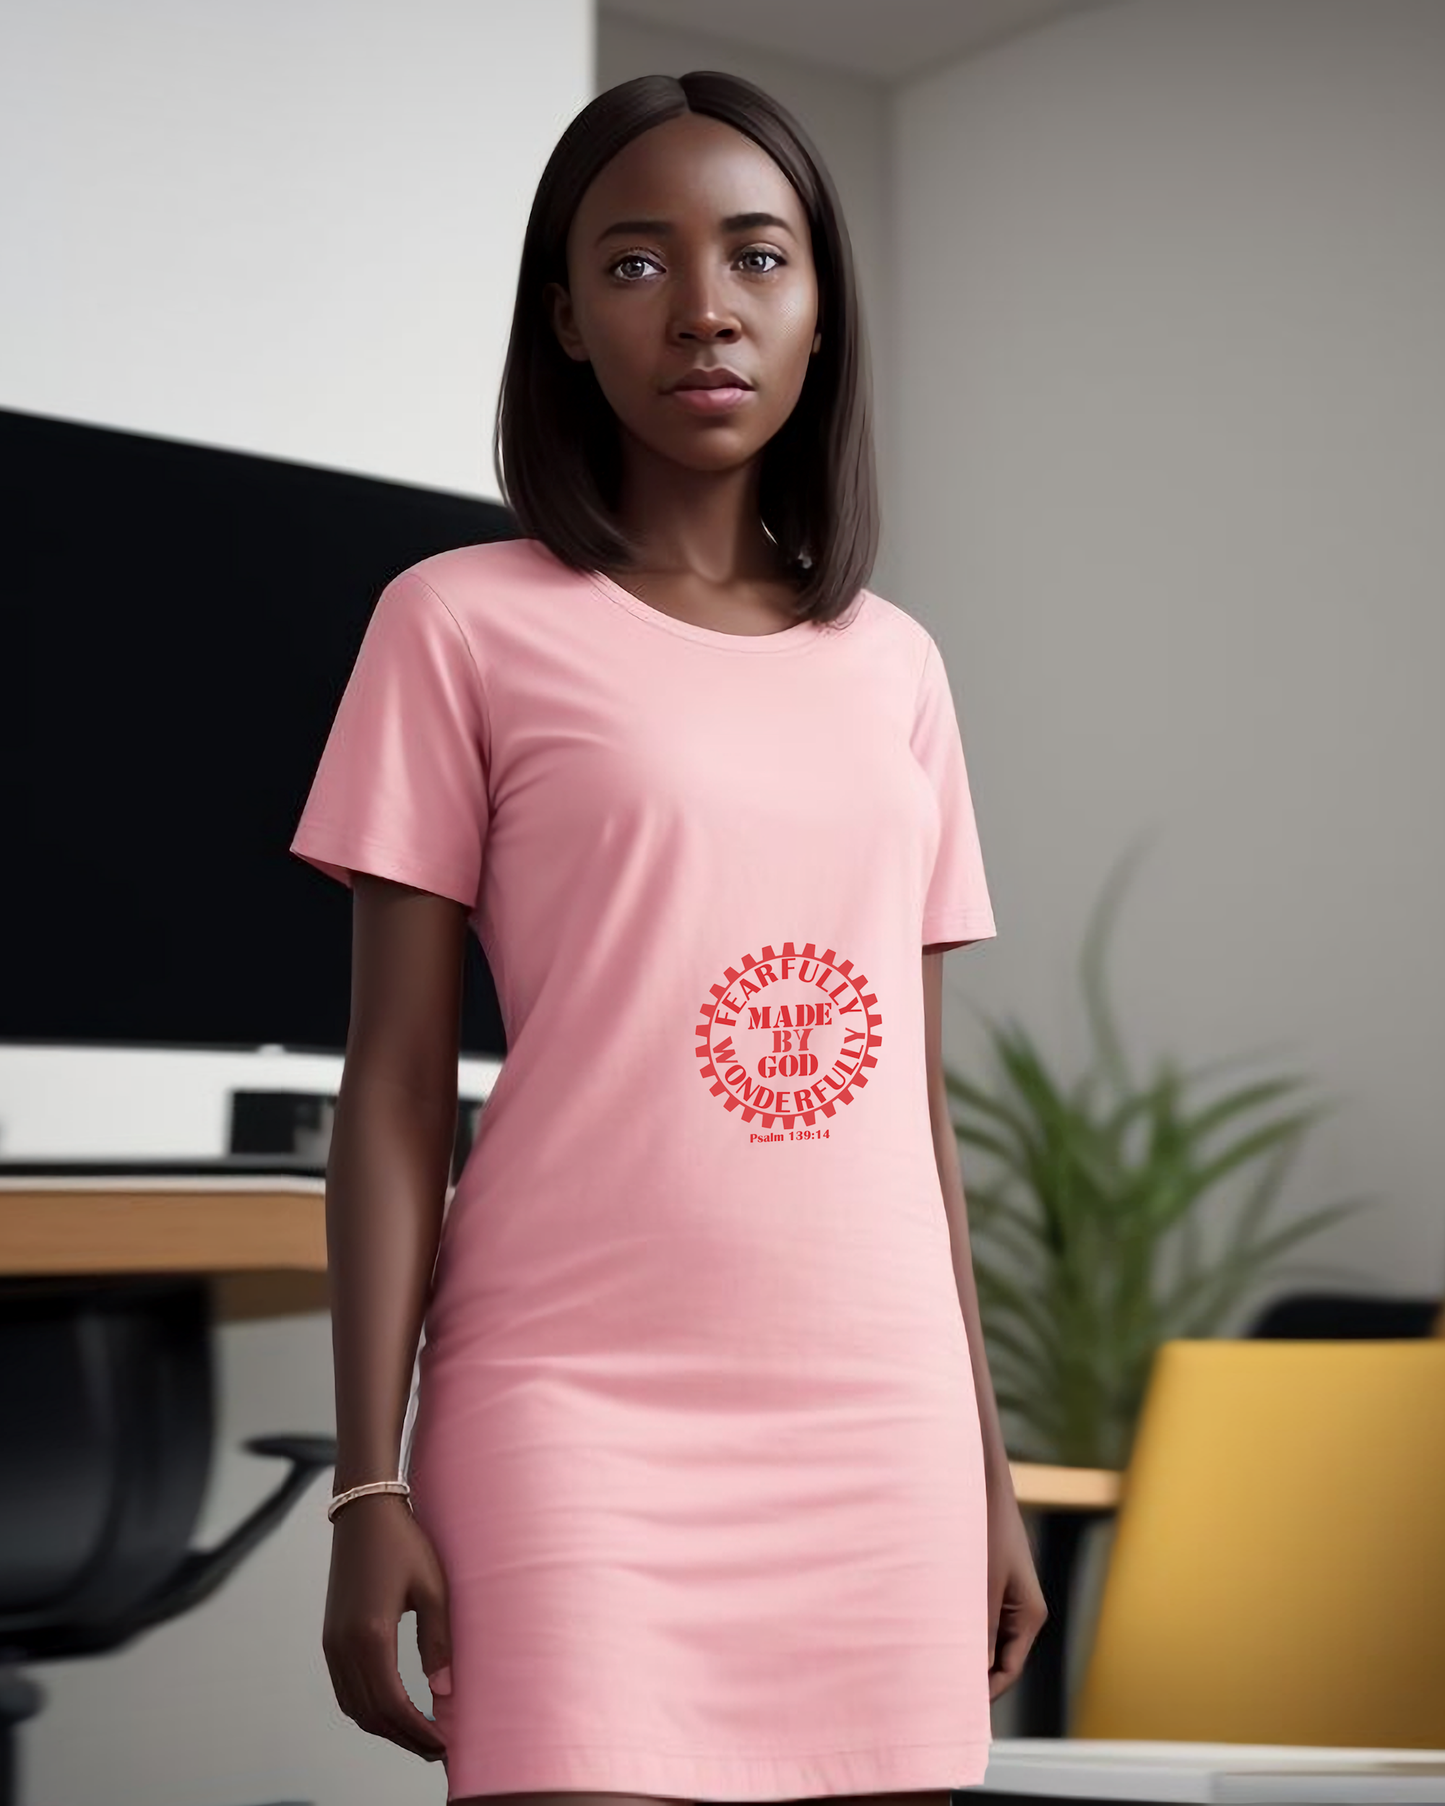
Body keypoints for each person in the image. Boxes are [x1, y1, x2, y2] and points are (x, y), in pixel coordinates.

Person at [290, 68, 1046, 1806]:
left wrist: (986, 1466)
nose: (704, 306)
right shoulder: (455, 624)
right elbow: (395, 1086)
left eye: (758, 258)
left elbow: (909, 1109)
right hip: (572, 1410)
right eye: (635, 265)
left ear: (818, 308)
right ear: (563, 317)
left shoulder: (900, 666)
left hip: (879, 1426)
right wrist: (364, 1479)